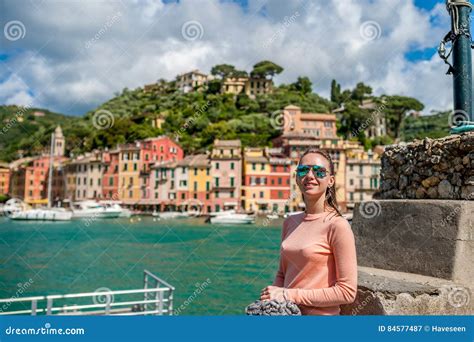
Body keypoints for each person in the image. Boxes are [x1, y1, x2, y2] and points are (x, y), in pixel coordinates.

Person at [260, 148, 357, 315]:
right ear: (297, 178)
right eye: (304, 170)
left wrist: (288, 294)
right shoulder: (290, 222)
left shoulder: (337, 225)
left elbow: (347, 292)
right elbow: (282, 274)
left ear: (331, 181)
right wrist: (271, 297)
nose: (310, 176)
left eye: (319, 171)